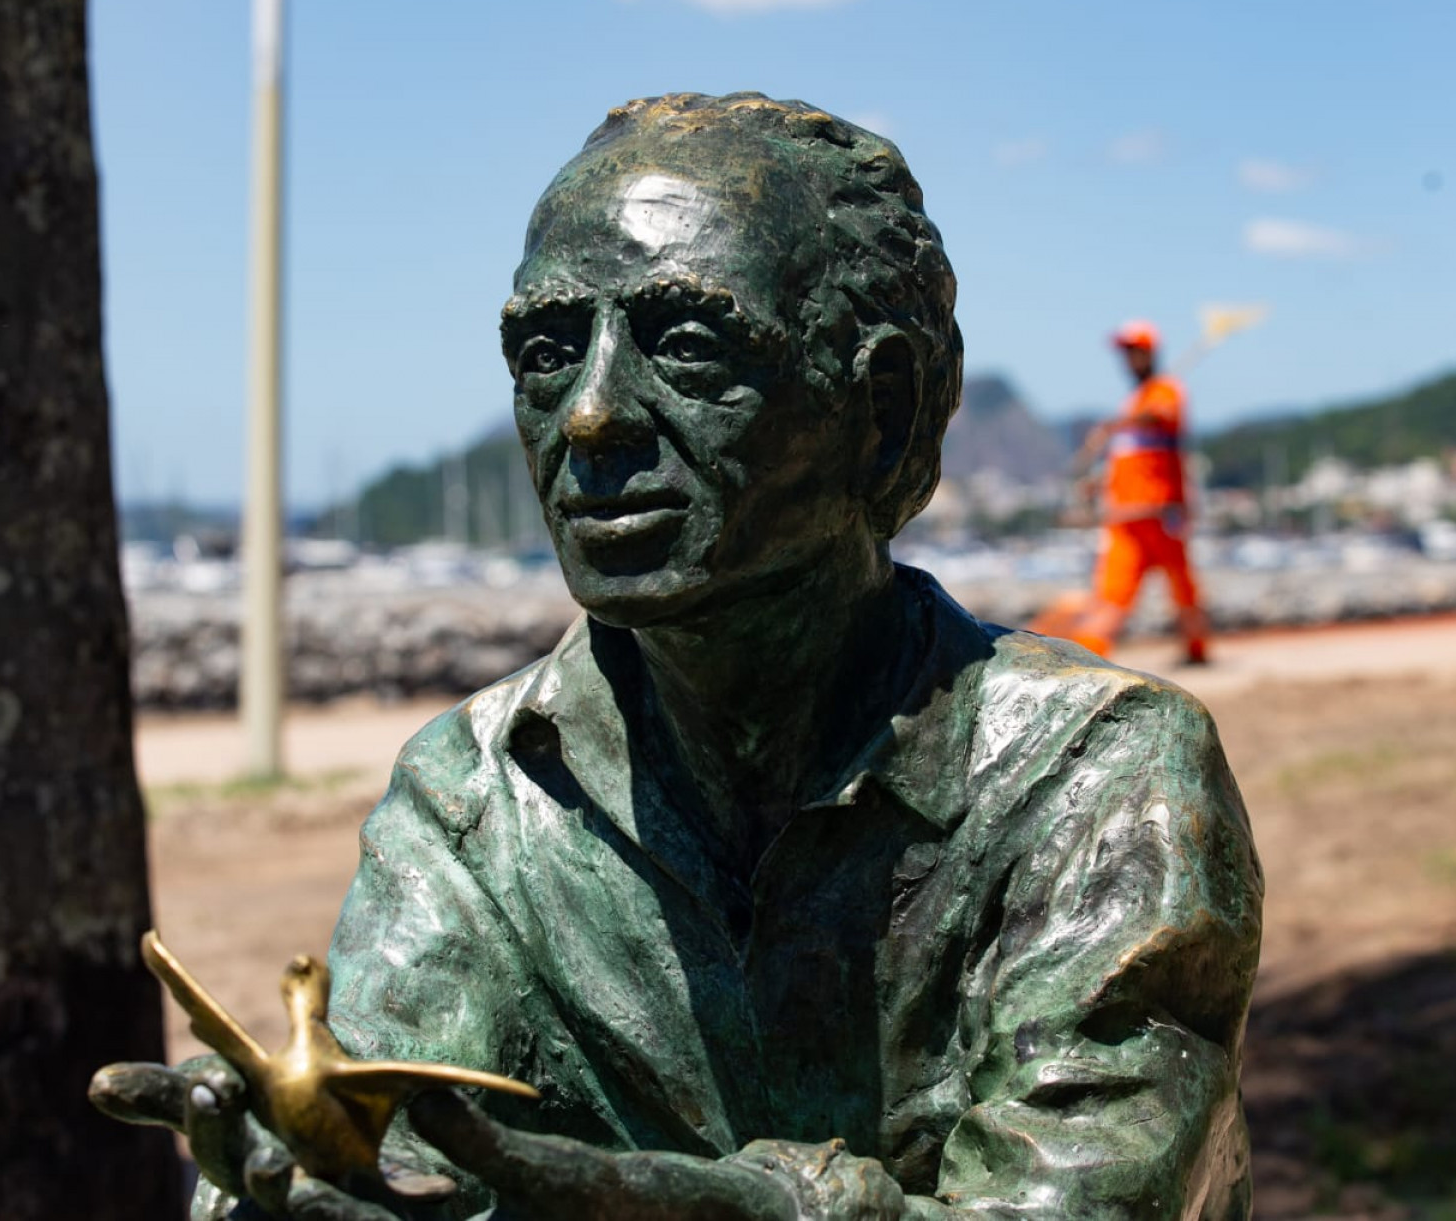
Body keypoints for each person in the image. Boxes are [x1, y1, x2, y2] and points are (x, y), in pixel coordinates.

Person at [98, 93, 1262, 1220]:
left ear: (886, 410)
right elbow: (397, 1143)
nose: (592, 414)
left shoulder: (1098, 779)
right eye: (549, 351)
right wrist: (318, 1186)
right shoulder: (476, 798)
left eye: (690, 346)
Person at [1037, 322, 1213, 665]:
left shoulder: (1165, 392)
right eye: (1126, 352)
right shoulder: (1134, 403)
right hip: (1125, 517)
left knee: (1183, 589)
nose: (1130, 359)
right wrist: (1099, 483)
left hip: (1161, 514)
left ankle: (1197, 649)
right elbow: (1130, 462)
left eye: (1136, 351)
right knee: (1111, 594)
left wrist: (1112, 426)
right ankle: (1090, 657)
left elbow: (1157, 418)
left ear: (1150, 353)